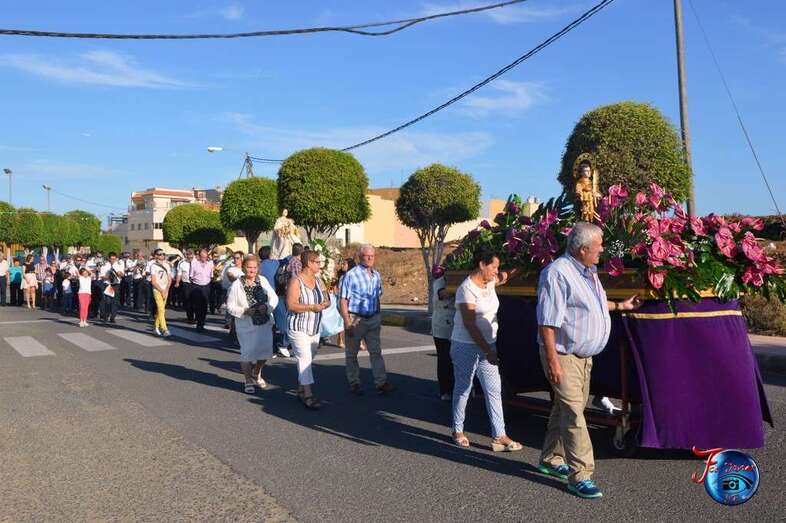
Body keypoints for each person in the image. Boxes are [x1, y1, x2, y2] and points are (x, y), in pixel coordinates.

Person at [536, 222, 641, 499]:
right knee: (573, 413)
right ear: (583, 249)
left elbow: (592, 306)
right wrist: (553, 362)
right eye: (599, 245)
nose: (603, 249)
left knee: (565, 408)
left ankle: (550, 458)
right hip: (563, 355)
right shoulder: (557, 273)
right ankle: (581, 474)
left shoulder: (588, 272)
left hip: (583, 358)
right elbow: (547, 323)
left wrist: (621, 306)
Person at [450, 248, 522, 453]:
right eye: (494, 266)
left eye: (497, 267)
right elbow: (470, 325)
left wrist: (527, 261)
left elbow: (506, 277)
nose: (496, 271)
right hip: (466, 345)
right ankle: (457, 430)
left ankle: (499, 435)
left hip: (487, 345)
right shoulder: (466, 289)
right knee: (464, 387)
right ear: (482, 264)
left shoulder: (490, 282)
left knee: (494, 389)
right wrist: (488, 351)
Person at [339, 244, 395, 395]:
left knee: (376, 352)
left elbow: (377, 296)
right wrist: (347, 321)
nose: (370, 258)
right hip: (356, 319)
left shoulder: (376, 275)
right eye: (366, 256)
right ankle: (354, 382)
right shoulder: (351, 275)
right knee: (351, 354)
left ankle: (381, 382)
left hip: (373, 319)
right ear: (360, 257)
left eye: (372, 256)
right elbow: (343, 300)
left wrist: (378, 314)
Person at [226, 254, 278, 394]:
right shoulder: (236, 285)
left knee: (265, 352)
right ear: (243, 268)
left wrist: (267, 307)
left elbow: (274, 297)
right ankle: (248, 380)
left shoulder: (263, 280)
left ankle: (257, 372)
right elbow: (230, 307)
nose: (252, 270)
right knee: (247, 353)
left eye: (255, 267)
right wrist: (245, 311)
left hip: (264, 322)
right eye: (249, 267)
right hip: (246, 325)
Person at [286, 250, 331, 409]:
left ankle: (300, 390)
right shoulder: (296, 281)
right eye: (317, 262)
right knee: (304, 359)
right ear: (309, 263)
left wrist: (325, 303)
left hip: (315, 328)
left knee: (309, 360)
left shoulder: (319, 281)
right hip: (298, 327)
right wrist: (312, 307)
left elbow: (327, 299)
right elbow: (291, 305)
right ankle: (309, 395)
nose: (320, 265)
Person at [431, 265, 455, 401]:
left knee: (455, 359)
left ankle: (454, 387)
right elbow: (442, 294)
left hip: (454, 324)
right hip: (442, 327)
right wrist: (461, 286)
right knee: (444, 359)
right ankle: (444, 390)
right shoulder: (440, 281)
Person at [189, 248, 214, 333]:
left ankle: (202, 323)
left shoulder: (210, 264)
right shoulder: (194, 264)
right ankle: (199, 324)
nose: (204, 259)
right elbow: (191, 276)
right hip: (197, 286)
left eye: (205, 257)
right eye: (202, 257)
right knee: (198, 306)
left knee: (204, 306)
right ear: (199, 256)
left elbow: (211, 276)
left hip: (206, 286)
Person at [150, 249, 172, 337]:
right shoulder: (153, 266)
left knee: (161, 309)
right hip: (157, 290)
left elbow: (169, 279)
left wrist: (166, 289)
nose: (162, 256)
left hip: (165, 289)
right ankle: (164, 328)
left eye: (163, 254)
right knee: (161, 308)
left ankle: (155, 327)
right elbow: (153, 282)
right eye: (160, 254)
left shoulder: (167, 265)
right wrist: (162, 290)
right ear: (156, 256)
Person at [99, 252, 124, 323]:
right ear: (108, 258)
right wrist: (107, 276)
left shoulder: (119, 265)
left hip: (116, 284)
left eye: (114, 259)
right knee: (107, 301)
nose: (113, 260)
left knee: (115, 301)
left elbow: (122, 274)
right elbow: (102, 276)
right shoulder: (104, 265)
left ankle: (113, 317)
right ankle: (106, 316)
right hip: (107, 284)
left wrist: (119, 273)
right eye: (111, 259)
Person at [175, 249, 194, 324]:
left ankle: (197, 317)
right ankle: (190, 318)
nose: (190, 258)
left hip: (195, 283)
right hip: (186, 283)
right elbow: (179, 273)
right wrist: (177, 282)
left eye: (191, 257)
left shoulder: (196, 262)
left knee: (195, 301)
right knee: (188, 301)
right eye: (188, 256)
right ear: (186, 256)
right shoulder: (181, 263)